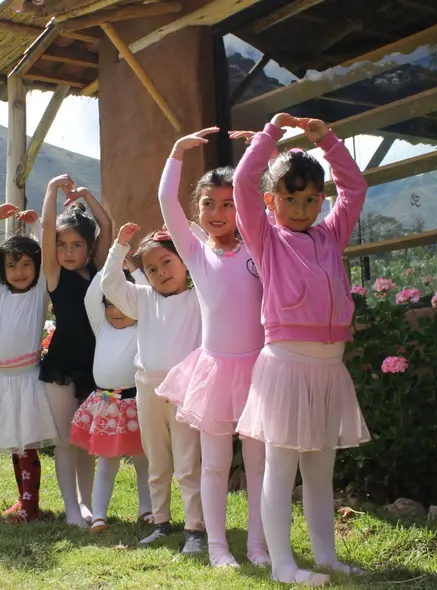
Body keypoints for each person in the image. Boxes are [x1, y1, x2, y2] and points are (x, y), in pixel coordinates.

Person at [231, 114, 371, 586]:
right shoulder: (266, 238)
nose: (301, 207)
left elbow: (355, 187)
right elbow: (242, 184)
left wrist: (326, 141)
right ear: (271, 202)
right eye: (289, 198)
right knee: (280, 469)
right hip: (287, 367)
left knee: (319, 472)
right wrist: (271, 133)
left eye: (311, 198)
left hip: (330, 371)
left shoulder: (331, 236)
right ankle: (283, 564)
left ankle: (326, 557)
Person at [155, 127, 269, 568]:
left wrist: (264, 149)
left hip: (260, 372)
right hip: (216, 373)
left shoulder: (260, 245)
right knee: (215, 465)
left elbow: (269, 199)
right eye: (208, 204)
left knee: (259, 467)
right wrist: (176, 153)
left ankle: (259, 546)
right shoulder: (197, 252)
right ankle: (219, 547)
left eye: (229, 204)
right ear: (196, 210)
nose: (218, 212)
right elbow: (166, 202)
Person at [101, 223, 206, 555]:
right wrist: (119, 247)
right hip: (147, 391)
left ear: (184, 261)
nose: (161, 272)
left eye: (167, 262)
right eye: (151, 268)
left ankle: (195, 528)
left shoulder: (199, 296)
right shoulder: (142, 299)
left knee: (188, 463)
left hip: (185, 393)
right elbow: (110, 283)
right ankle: (160, 522)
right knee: (156, 461)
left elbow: (210, 261)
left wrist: (190, 231)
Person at [0, 203, 60, 524]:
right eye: (13, 265)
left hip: (27, 379)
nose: (21, 271)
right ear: (3, 271)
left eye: (27, 264)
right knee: (14, 443)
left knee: (27, 447)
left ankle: (31, 506)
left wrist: (37, 225)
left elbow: (48, 255)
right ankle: (22, 501)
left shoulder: (39, 291)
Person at [39, 174, 113, 527]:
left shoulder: (96, 270)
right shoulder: (54, 274)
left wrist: (86, 194)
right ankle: (71, 509)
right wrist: (52, 190)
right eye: (61, 244)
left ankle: (86, 504)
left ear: (89, 247)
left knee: (87, 439)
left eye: (76, 245)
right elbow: (47, 228)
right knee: (67, 439)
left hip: (93, 364)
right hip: (61, 365)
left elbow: (107, 225)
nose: (68, 251)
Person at [70, 263, 152, 534]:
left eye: (124, 304)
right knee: (107, 461)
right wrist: (110, 265)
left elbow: (147, 294)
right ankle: (99, 516)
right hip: (105, 406)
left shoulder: (144, 326)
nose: (116, 312)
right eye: (111, 304)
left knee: (144, 462)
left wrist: (136, 271)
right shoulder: (102, 327)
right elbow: (90, 297)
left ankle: (147, 511)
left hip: (135, 405)